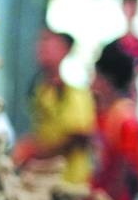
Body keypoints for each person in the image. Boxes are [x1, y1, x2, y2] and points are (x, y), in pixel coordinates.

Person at [13, 29, 95, 185]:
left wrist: (38, 153)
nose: (41, 47)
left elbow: (79, 135)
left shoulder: (75, 87)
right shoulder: (41, 88)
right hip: (44, 179)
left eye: (49, 43)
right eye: (41, 42)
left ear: (65, 49)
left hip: (69, 181)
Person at [90, 47, 138, 200]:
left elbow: (125, 167)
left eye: (96, 77)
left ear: (108, 81)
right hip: (99, 199)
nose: (92, 83)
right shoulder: (104, 112)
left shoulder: (125, 120)